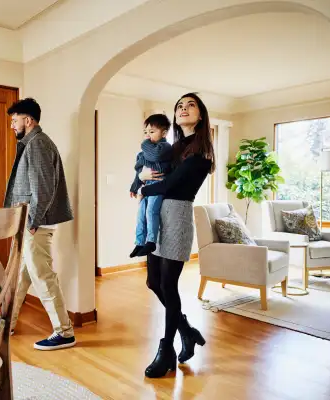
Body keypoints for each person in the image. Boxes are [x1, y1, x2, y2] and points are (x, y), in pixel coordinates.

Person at [135, 93, 215, 378]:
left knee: (168, 285)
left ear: (201, 115)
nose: (183, 108)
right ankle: (186, 331)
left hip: (178, 216)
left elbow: (170, 183)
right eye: (180, 105)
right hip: (159, 216)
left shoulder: (201, 151)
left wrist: (144, 189)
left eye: (190, 105)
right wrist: (141, 178)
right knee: (152, 281)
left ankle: (166, 348)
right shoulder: (173, 147)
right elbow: (150, 167)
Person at [0, 97, 76, 351]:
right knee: (23, 274)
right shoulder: (31, 143)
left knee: (41, 274)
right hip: (31, 221)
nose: (12, 126)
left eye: (14, 121)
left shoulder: (37, 145)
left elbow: (43, 188)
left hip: (35, 222)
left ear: (28, 120)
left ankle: (64, 331)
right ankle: (8, 320)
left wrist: (34, 220)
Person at [129, 114, 173, 258]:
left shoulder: (164, 147)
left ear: (164, 133)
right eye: (145, 132)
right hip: (146, 185)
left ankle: (151, 241)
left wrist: (144, 143)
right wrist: (134, 186)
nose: (147, 136)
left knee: (150, 212)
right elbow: (139, 170)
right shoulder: (142, 154)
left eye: (152, 132)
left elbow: (155, 156)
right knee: (141, 214)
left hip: (158, 185)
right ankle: (140, 242)